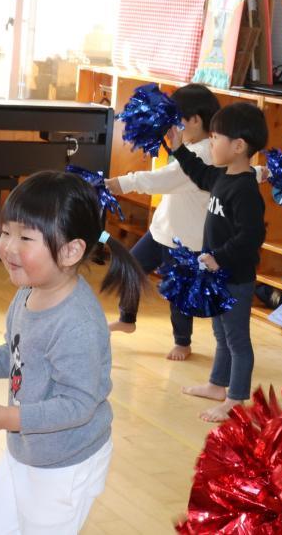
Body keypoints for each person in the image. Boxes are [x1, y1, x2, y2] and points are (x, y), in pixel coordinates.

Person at [0, 171, 143, 533]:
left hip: (65, 465)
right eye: (6, 232)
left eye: (26, 237)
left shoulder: (76, 323)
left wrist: (7, 417)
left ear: (71, 250)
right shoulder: (28, 292)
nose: (9, 247)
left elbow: (77, 404)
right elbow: (17, 353)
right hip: (28, 449)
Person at [167, 102, 268, 422]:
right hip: (216, 275)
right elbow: (199, 172)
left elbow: (251, 236)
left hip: (235, 277)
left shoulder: (246, 190)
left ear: (238, 146)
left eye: (215, 138)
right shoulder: (223, 176)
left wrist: (219, 257)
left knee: (237, 339)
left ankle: (236, 399)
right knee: (221, 334)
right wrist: (178, 149)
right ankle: (216, 385)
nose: (210, 143)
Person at [107, 83, 222, 361]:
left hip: (185, 241)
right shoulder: (190, 146)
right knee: (130, 268)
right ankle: (127, 319)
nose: (174, 127)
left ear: (195, 121)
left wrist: (121, 183)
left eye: (178, 120)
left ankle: (183, 342)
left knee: (177, 293)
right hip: (162, 231)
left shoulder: (204, 153)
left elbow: (165, 179)